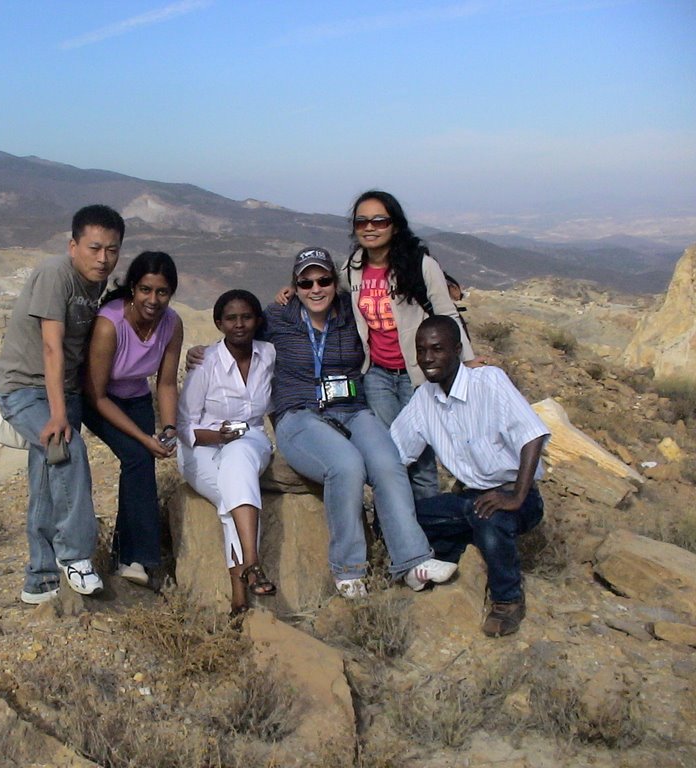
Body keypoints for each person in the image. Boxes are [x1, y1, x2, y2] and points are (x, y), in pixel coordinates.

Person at [193, 248, 457, 598]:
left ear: (336, 282)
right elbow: (239, 333)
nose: (315, 288)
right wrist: (204, 352)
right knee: (346, 465)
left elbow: (388, 319)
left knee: (387, 462)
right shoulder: (279, 316)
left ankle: (412, 561)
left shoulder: (351, 311)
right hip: (299, 414)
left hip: (351, 408)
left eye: (323, 280)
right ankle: (348, 569)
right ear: (295, 286)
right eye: (305, 282)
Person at [276, 191, 477, 500]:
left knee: (421, 458)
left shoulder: (420, 265)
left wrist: (468, 360)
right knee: (392, 450)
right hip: (377, 374)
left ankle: (432, 529)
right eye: (361, 222)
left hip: (418, 375)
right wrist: (298, 289)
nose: (370, 227)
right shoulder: (352, 267)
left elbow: (447, 313)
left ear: (394, 225)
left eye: (379, 220)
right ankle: (393, 525)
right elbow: (327, 290)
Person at [0, 204, 124, 605]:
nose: (103, 258)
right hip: (25, 388)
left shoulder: (94, 283)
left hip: (61, 392)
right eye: (94, 248)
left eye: (112, 250)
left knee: (47, 478)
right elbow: (52, 346)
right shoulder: (56, 275)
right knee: (65, 449)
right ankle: (76, 555)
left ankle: (40, 579)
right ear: (73, 246)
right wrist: (58, 414)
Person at [390, 315, 550, 637]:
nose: (427, 359)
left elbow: (532, 436)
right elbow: (395, 451)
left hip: (512, 495)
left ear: (457, 350)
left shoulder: (488, 382)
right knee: (401, 518)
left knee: (490, 522)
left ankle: (507, 601)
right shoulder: (424, 399)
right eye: (421, 351)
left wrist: (516, 496)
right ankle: (448, 557)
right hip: (468, 498)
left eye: (437, 349)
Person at [83, 252, 184, 587]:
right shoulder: (110, 323)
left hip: (136, 396)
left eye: (162, 292)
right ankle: (135, 557)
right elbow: (96, 395)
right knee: (139, 454)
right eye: (145, 290)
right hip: (100, 399)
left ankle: (126, 555)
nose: (153, 300)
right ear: (132, 289)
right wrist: (144, 438)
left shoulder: (172, 324)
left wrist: (169, 427)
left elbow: (166, 382)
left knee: (141, 464)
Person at [178, 290, 276, 616]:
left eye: (246, 317)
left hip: (249, 440)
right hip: (201, 449)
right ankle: (247, 578)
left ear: (257, 321)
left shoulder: (269, 355)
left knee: (237, 460)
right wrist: (215, 434)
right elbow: (183, 425)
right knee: (233, 495)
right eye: (231, 318)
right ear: (219, 323)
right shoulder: (205, 362)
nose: (239, 324)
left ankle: (246, 578)